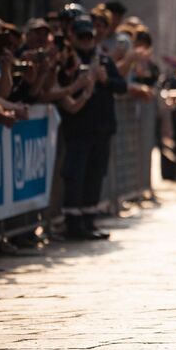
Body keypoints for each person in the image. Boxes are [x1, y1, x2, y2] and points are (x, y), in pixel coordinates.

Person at [57, 15, 126, 240]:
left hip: (102, 128)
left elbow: (122, 86)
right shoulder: (67, 60)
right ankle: (73, 224)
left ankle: (89, 221)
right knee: (75, 175)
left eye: (89, 36)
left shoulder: (103, 59)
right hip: (78, 128)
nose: (86, 40)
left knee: (95, 175)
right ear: (72, 36)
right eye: (82, 36)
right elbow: (58, 86)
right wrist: (79, 82)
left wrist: (106, 80)